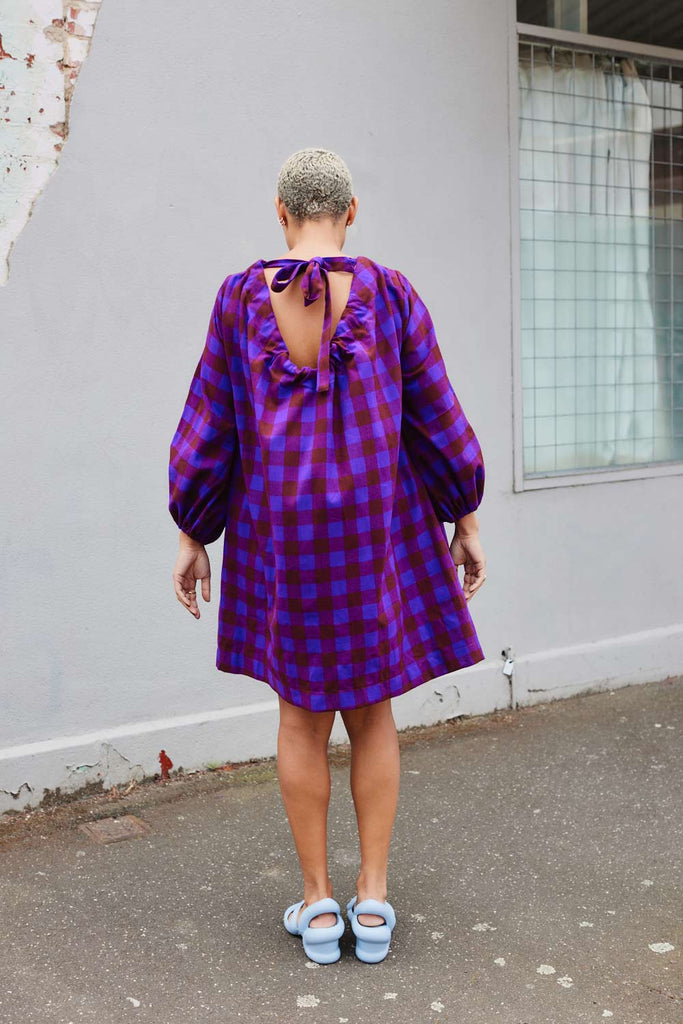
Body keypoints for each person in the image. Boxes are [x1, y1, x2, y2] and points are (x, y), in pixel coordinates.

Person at [168, 147, 487, 965]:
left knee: (299, 720)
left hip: (282, 538)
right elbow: (437, 419)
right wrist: (465, 516)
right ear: (350, 214)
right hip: (375, 532)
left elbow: (211, 426)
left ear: (280, 214)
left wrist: (192, 531)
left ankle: (317, 905)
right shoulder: (391, 294)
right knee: (372, 712)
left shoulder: (241, 300)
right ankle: (371, 900)